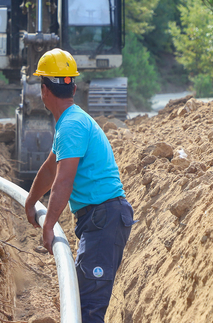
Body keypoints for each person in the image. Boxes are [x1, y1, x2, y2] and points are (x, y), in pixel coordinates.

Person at [24, 48, 134, 323]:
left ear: (44, 90)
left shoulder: (71, 126)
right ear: (73, 87)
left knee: (88, 308)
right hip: (100, 218)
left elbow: (63, 180)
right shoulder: (71, 122)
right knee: (84, 301)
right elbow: (50, 168)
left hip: (103, 218)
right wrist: (31, 201)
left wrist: (49, 224)